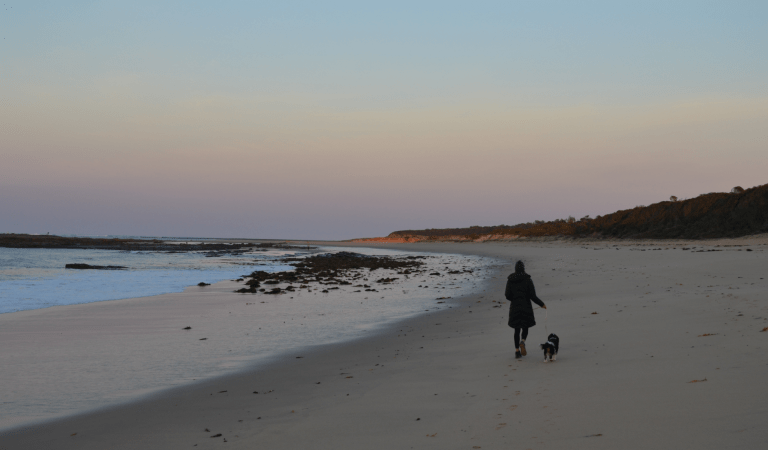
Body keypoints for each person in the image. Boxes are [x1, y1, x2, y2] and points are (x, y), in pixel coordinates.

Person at [505, 260, 546, 359]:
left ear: (515, 268)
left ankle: (517, 351)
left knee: (516, 329)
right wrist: (542, 304)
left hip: (515, 307)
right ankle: (522, 341)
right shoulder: (527, 279)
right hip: (526, 306)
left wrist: (514, 299)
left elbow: (507, 295)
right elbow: (533, 296)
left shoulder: (510, 279)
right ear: (523, 268)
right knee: (525, 327)